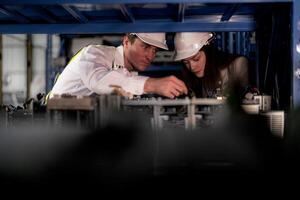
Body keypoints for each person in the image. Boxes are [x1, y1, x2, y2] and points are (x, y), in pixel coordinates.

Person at [50, 33, 187, 99]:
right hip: (54, 123)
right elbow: (99, 80)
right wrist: (152, 84)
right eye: (145, 47)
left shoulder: (131, 74)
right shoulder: (94, 53)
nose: (150, 56)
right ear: (126, 41)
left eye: (155, 51)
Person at [174, 32, 249, 98]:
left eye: (196, 59)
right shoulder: (193, 79)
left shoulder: (238, 65)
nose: (192, 67)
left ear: (208, 51)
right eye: (186, 62)